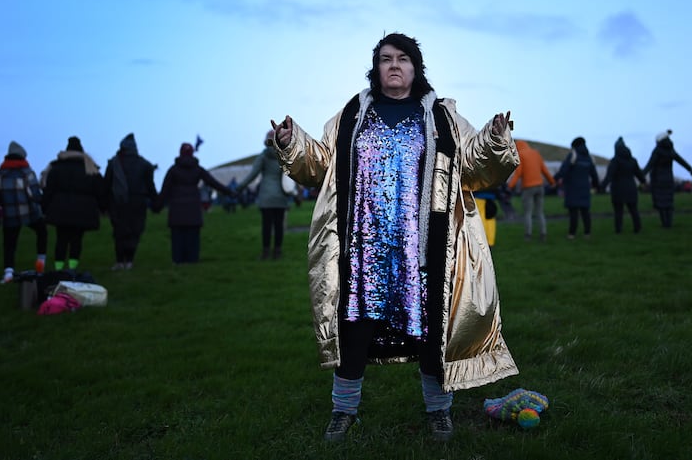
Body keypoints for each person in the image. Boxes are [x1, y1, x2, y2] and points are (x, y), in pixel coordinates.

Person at [271, 33, 519, 442]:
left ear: (416, 67)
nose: (394, 66)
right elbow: (318, 166)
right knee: (354, 331)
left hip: (424, 251)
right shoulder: (351, 115)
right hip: (361, 249)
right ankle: (343, 410)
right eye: (386, 59)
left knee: (430, 331)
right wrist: (290, 142)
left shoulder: (443, 117)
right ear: (377, 68)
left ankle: (439, 411)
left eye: (403, 59)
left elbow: (474, 167)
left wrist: (494, 138)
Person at [156, 143, 235, 264]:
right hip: (193, 207)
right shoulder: (198, 169)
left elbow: (165, 189)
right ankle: (192, 259)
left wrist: (157, 206)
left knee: (178, 236)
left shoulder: (173, 170)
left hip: (177, 208)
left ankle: (178, 260)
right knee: (193, 236)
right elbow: (212, 182)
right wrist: (229, 192)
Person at [42, 136, 104, 271]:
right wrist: (103, 208)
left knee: (61, 239)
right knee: (77, 240)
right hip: (83, 210)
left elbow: (49, 190)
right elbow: (100, 190)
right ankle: (72, 267)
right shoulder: (90, 168)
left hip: (60, 209)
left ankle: (59, 268)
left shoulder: (56, 167)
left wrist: (44, 208)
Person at [104, 133, 159, 271]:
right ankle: (129, 261)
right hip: (138, 202)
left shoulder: (113, 163)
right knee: (134, 232)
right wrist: (156, 203)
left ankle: (119, 261)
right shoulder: (145, 164)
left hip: (117, 202)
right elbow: (150, 186)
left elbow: (106, 185)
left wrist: (103, 204)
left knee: (119, 232)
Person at [236, 130, 293, 260]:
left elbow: (253, 175)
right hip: (280, 196)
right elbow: (290, 177)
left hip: (266, 196)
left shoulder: (263, 156)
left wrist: (239, 187)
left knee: (266, 225)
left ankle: (265, 252)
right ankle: (277, 252)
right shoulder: (284, 156)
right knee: (279, 226)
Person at [0, 141, 47, 283]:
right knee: (42, 232)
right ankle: (41, 261)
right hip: (29, 213)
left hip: (9, 214)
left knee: (9, 244)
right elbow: (35, 195)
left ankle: (8, 272)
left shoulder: (0, 174)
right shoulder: (27, 172)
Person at [642, 130, 692, 228]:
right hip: (669, 179)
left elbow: (650, 164)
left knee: (661, 203)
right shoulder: (671, 151)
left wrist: (640, 175)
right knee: (669, 202)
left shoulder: (657, 151)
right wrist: (690, 169)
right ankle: (669, 223)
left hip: (658, 180)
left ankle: (664, 224)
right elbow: (681, 161)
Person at [507, 140, 555, 241]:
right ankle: (543, 233)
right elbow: (544, 170)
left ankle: (528, 235)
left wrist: (510, 186)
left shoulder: (521, 155)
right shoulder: (536, 153)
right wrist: (552, 182)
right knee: (539, 212)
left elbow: (518, 174)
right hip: (540, 186)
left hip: (528, 188)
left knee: (528, 212)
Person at [553, 137, 600, 239]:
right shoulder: (589, 158)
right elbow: (594, 175)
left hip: (572, 189)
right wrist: (596, 186)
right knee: (585, 212)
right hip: (585, 189)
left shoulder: (573, 156)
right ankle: (587, 233)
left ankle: (572, 234)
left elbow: (563, 170)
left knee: (573, 212)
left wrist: (553, 180)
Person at [600, 137, 646, 234]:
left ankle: (618, 229)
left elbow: (609, 176)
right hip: (631, 188)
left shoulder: (615, 161)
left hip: (618, 189)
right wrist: (643, 181)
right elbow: (639, 174)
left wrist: (602, 187)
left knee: (618, 211)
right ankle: (637, 228)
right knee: (633, 210)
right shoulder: (633, 160)